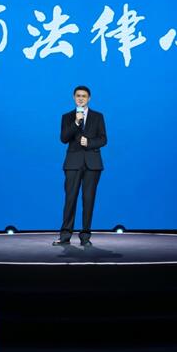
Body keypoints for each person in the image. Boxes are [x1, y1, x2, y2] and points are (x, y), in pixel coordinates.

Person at [53, 85, 107, 247]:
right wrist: (76, 122)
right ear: (74, 98)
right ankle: (65, 236)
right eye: (78, 96)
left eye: (84, 96)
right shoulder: (67, 117)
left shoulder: (98, 116)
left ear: (89, 98)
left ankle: (85, 237)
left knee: (88, 200)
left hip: (92, 164)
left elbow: (103, 139)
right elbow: (63, 138)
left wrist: (89, 142)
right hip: (73, 163)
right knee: (70, 199)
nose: (81, 98)